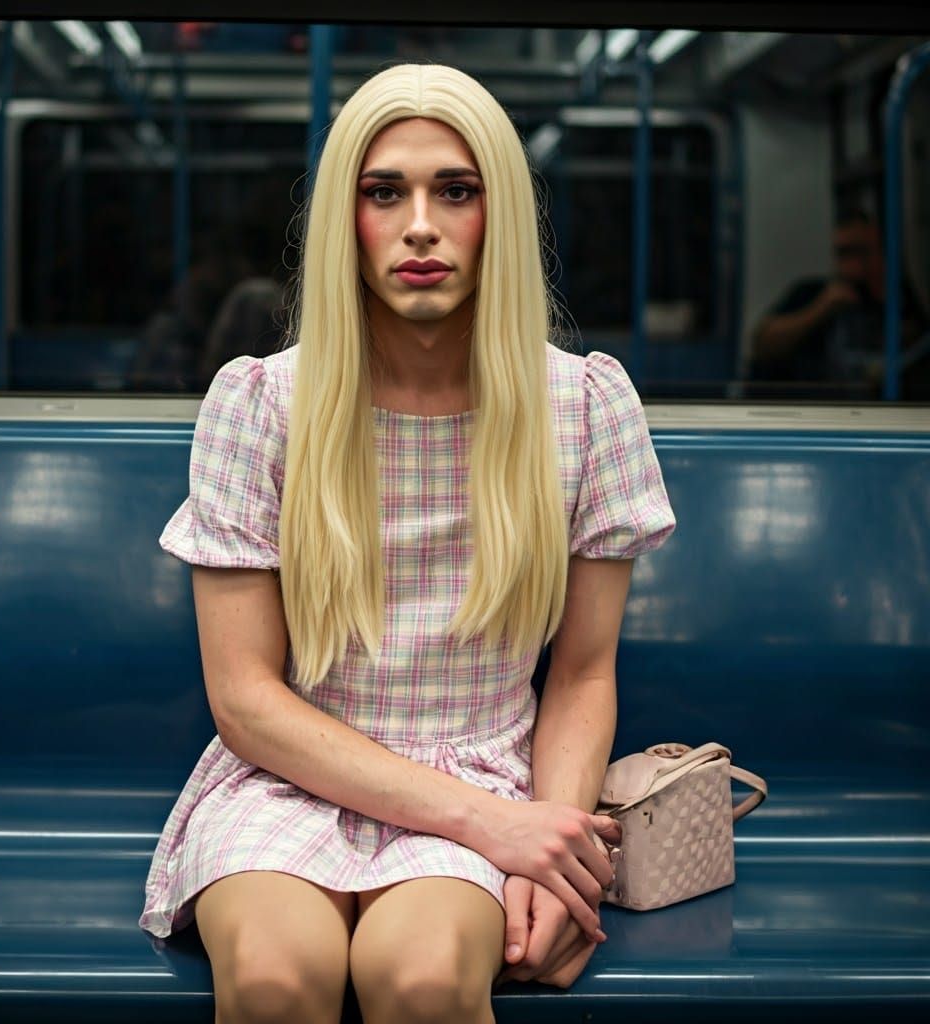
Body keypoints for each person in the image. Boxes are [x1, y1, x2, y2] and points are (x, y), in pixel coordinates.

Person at [139, 63, 676, 1023]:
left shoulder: (587, 407)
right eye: (384, 191)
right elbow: (247, 700)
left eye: (456, 191)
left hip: (485, 768)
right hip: (287, 778)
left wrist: (549, 858)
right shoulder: (261, 404)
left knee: (424, 984)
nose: (419, 225)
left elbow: (584, 673)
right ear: (347, 217)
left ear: (499, 214)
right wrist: (500, 828)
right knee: (272, 982)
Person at [748, 209, 929, 399]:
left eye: (859, 251)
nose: (848, 263)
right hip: (819, 410)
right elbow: (763, 344)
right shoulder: (812, 294)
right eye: (841, 253)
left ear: (881, 253)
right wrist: (818, 310)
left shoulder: (899, 301)